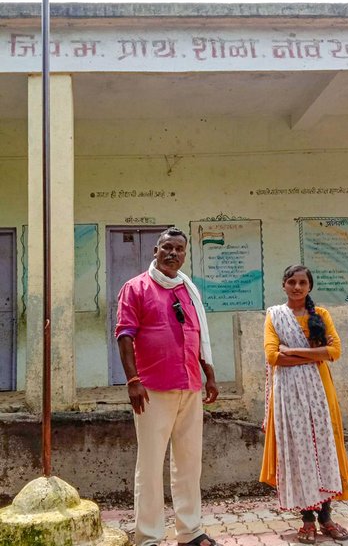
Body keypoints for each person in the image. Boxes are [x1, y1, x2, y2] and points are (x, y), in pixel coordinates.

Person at [116, 227, 219, 546]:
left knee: (189, 463)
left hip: (189, 385)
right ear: (155, 251)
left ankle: (190, 531)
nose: (173, 254)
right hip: (152, 388)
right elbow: (124, 335)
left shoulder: (188, 289)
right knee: (149, 464)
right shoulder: (135, 288)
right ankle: (148, 537)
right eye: (167, 248)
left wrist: (209, 374)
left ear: (185, 255)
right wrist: (133, 380)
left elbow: (197, 333)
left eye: (179, 250)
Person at [260, 264, 348, 544]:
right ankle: (307, 520)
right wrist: (315, 354)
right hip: (287, 393)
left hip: (321, 393)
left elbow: (335, 351)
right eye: (292, 281)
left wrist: (295, 351)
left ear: (309, 287)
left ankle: (327, 517)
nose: (297, 287)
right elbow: (273, 356)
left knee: (324, 449)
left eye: (302, 282)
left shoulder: (321, 315)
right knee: (298, 453)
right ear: (284, 285)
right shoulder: (275, 316)